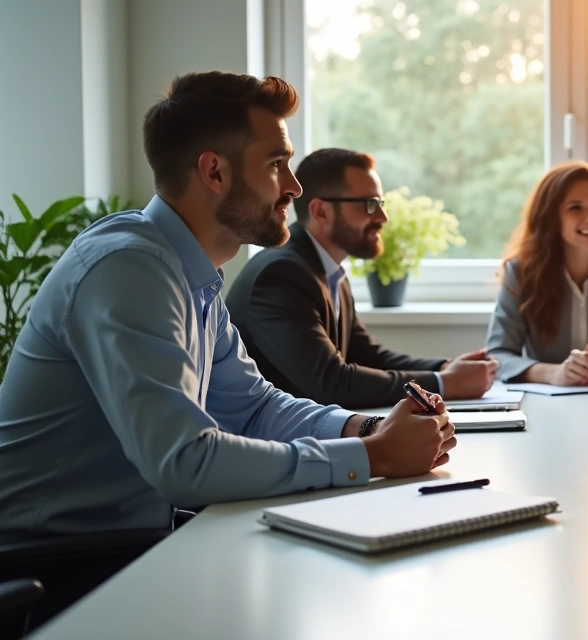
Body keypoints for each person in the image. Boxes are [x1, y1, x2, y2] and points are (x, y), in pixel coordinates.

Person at [0, 71, 456, 540]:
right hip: (54, 565)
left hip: (131, 540)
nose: (295, 187)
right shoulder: (128, 268)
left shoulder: (190, 274)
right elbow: (184, 461)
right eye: (277, 163)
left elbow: (255, 408)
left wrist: (368, 429)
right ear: (214, 171)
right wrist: (375, 456)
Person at [227, 148, 497, 409]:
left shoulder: (326, 269)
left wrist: (443, 368)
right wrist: (443, 384)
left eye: (380, 204)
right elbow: (331, 382)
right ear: (321, 211)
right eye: (369, 205)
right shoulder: (281, 275)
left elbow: (366, 355)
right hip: (275, 445)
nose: (382, 217)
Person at [486, 161, 588, 385]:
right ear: (550, 218)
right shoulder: (520, 273)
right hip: (545, 405)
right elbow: (497, 356)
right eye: (576, 208)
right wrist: (554, 374)